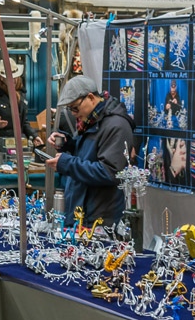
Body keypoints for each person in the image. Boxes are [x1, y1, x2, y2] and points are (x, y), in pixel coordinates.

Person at [45, 74, 135, 227]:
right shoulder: (92, 121)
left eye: (75, 107)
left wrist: (66, 163)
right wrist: (68, 144)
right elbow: (89, 155)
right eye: (69, 109)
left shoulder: (116, 125)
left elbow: (109, 172)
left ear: (91, 98)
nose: (73, 113)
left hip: (99, 218)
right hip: (84, 212)